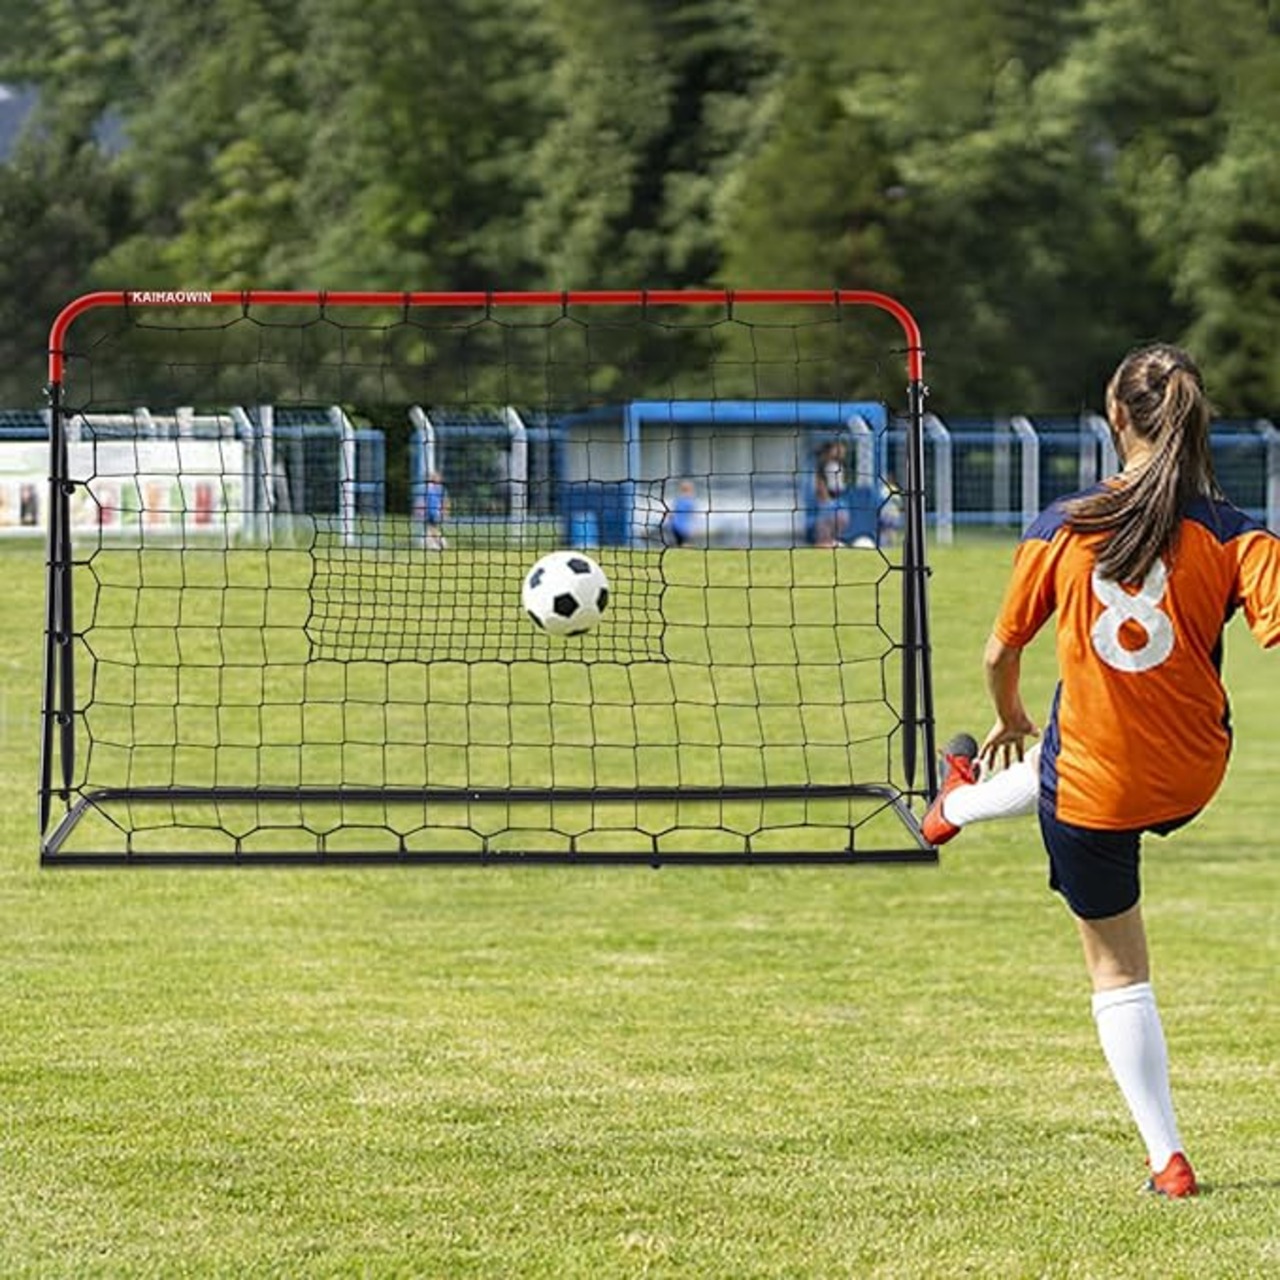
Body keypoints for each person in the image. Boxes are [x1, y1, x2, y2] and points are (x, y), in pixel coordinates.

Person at [923, 343, 1280, 1198]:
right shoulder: (1240, 532)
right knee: (1071, 736)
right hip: (1194, 771)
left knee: (1119, 970)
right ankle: (953, 806)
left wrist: (1009, 715)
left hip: (1095, 790)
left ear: (1115, 417)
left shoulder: (1064, 524)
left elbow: (999, 653)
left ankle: (1168, 1160)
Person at [813, 440, 848, 546]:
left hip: (838, 498)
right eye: (837, 448)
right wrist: (826, 499)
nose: (841, 451)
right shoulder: (824, 464)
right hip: (829, 499)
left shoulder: (839, 464)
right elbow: (820, 482)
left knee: (841, 522)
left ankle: (831, 541)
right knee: (826, 526)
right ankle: (824, 543)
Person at [669, 480, 699, 547]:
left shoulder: (678, 500)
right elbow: (694, 514)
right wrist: (695, 526)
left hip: (676, 525)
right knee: (683, 544)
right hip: (683, 527)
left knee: (680, 543)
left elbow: (671, 514)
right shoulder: (689, 501)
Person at [424, 470, 449, 550]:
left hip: (435, 513)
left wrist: (445, 512)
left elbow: (445, 501)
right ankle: (436, 544)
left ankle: (440, 543)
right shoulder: (430, 489)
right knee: (430, 529)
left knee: (432, 529)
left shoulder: (440, 489)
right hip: (430, 513)